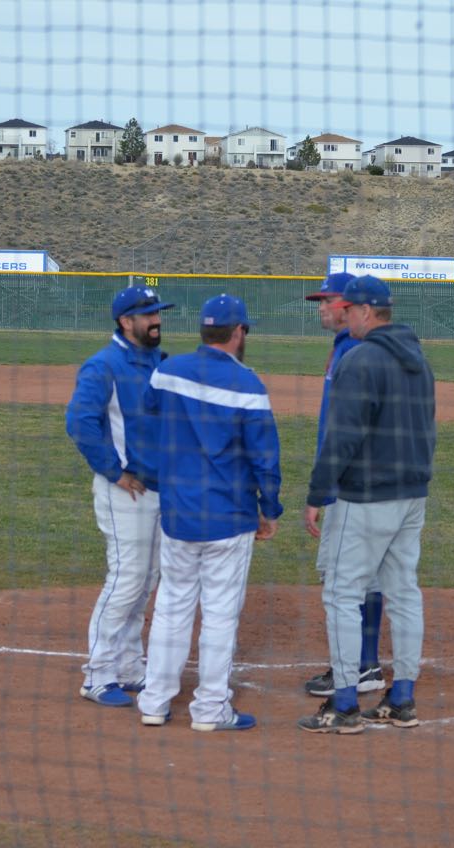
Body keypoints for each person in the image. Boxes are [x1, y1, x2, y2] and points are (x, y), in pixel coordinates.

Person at [136, 293, 283, 732]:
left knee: (171, 607)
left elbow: (147, 417)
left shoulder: (168, 371)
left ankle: (154, 702)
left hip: (178, 514)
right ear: (238, 332)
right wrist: (269, 509)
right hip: (229, 517)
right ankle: (210, 709)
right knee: (220, 615)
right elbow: (265, 458)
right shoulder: (249, 385)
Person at [297, 275, 436, 734]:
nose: (345, 316)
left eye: (349, 309)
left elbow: (341, 437)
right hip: (412, 495)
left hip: (367, 497)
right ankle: (402, 698)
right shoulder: (419, 359)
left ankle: (344, 704)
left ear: (365, 312)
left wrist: (317, 493)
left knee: (342, 594)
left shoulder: (360, 359)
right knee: (404, 593)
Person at [65, 285, 174, 707]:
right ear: (126, 321)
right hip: (125, 493)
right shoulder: (103, 365)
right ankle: (97, 674)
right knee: (127, 580)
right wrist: (114, 471)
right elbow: (80, 423)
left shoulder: (159, 362)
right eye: (148, 315)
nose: (157, 321)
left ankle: (129, 666)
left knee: (146, 581)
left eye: (158, 313)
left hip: (160, 490)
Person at [301, 272, 387, 698]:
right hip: (356, 484)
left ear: (350, 305)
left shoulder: (355, 351)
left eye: (327, 300)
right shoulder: (345, 348)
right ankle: (364, 663)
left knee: (342, 578)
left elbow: (348, 429)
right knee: (363, 575)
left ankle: (357, 667)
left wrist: (325, 488)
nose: (321, 307)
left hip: (349, 486)